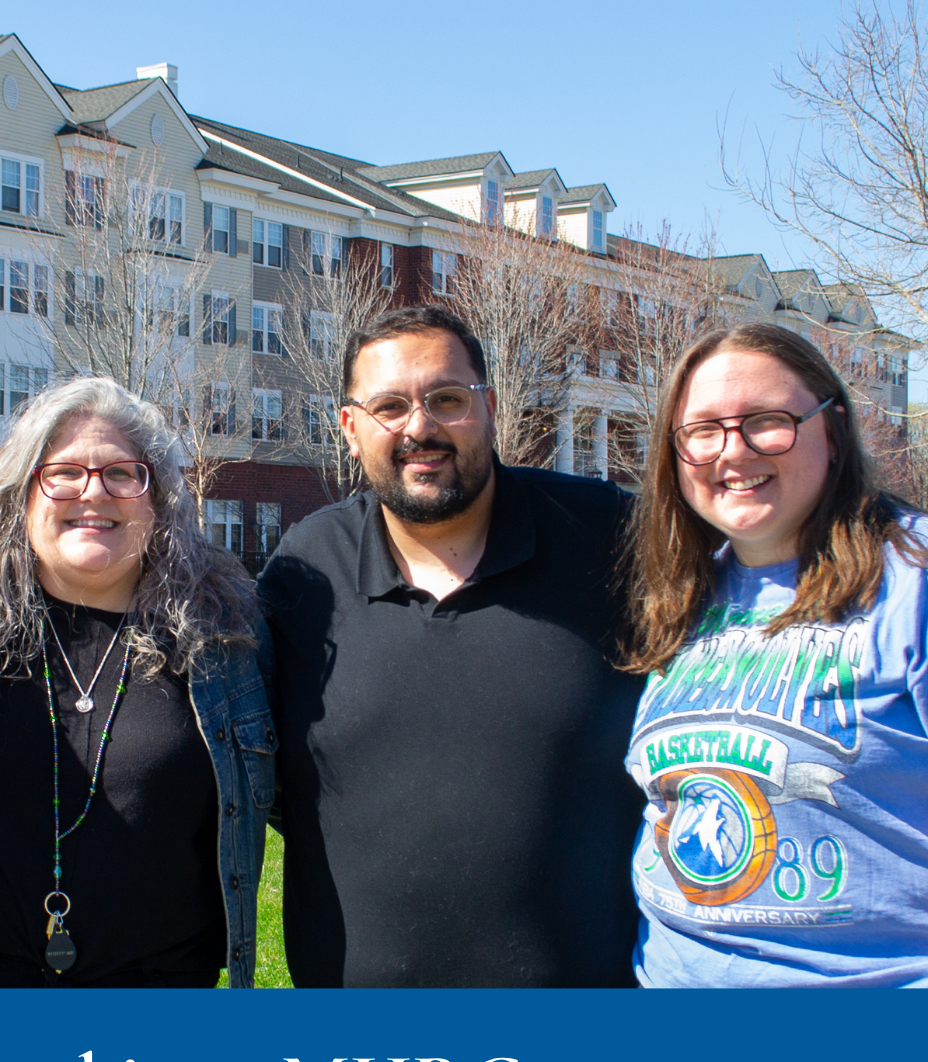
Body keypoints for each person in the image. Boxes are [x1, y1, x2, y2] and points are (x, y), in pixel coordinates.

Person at [621, 322, 928, 987]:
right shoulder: (687, 593)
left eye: (768, 421)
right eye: (702, 430)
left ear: (834, 429)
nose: (731, 452)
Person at [256, 305, 644, 987]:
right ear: (350, 429)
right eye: (389, 406)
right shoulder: (306, 569)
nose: (420, 427)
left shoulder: (605, 538)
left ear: (489, 407)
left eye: (447, 399)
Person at [0, 377, 271, 988]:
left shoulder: (225, 642)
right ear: (22, 496)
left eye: (122, 474)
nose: (94, 492)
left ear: (157, 500)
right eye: (64, 473)